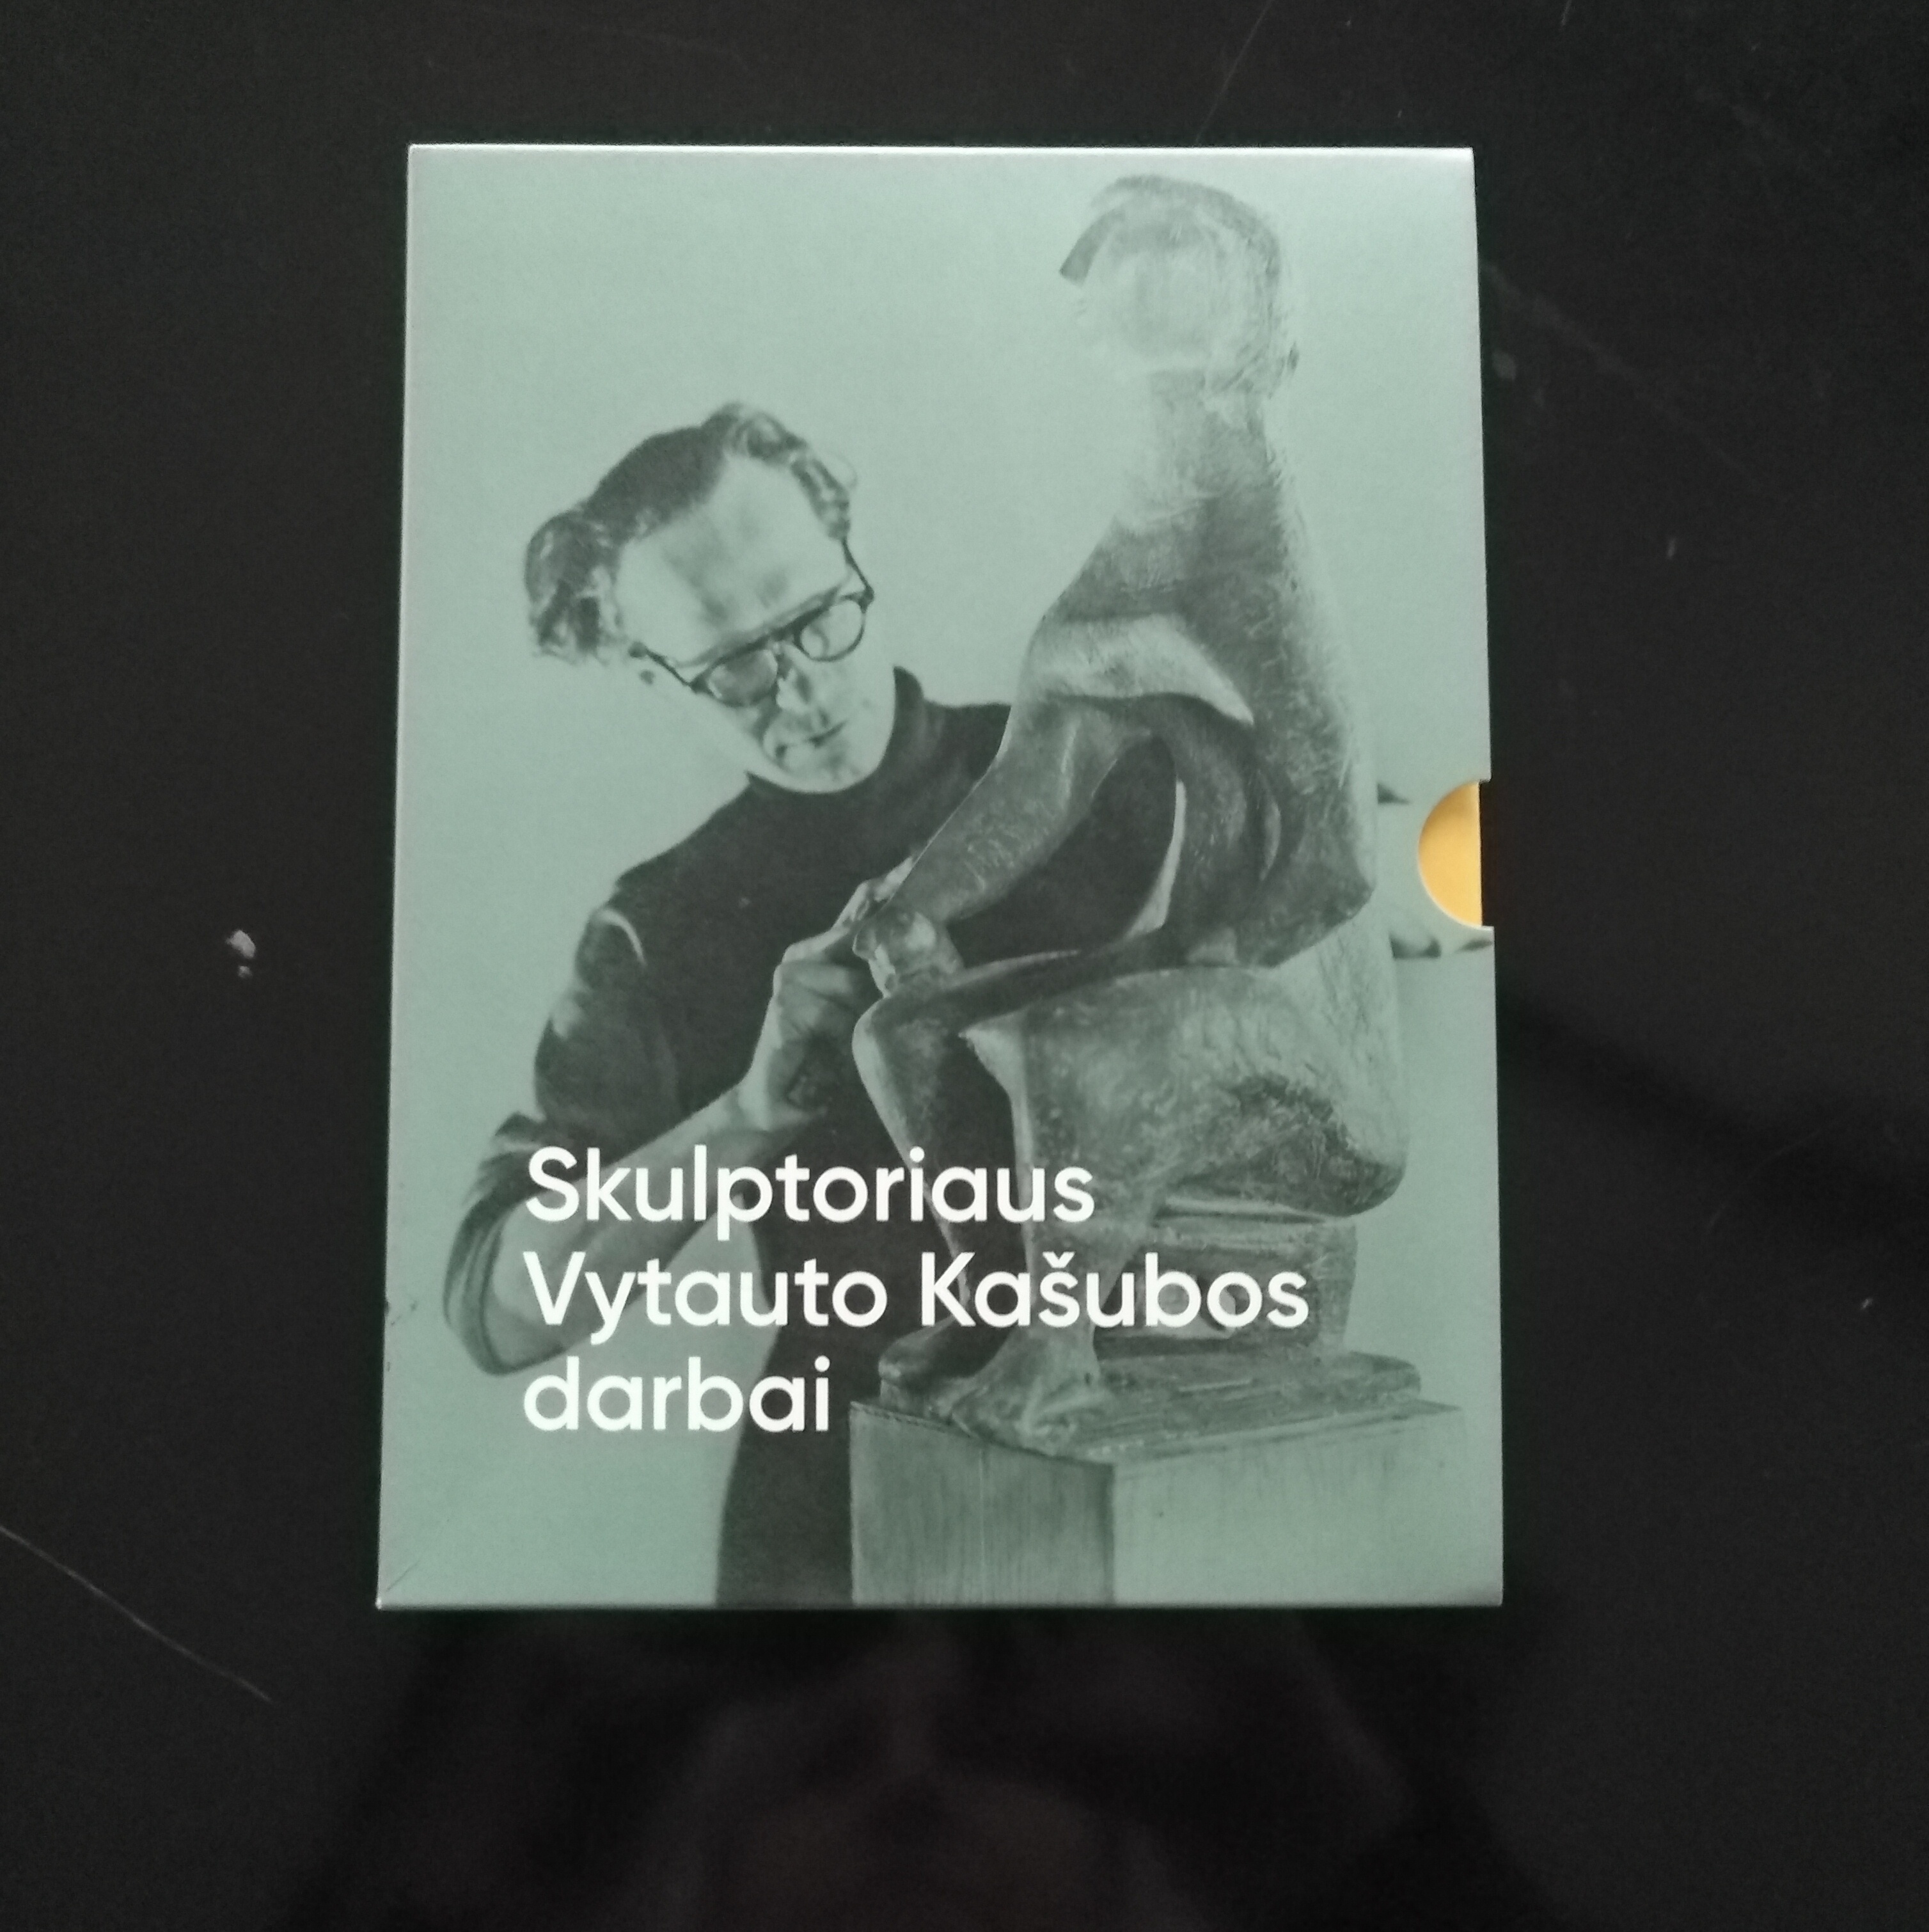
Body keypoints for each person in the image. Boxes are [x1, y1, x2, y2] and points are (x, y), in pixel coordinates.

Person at [446, 403, 1174, 1604]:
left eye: (816, 613)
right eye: (734, 664)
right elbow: (500, 1309)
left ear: (848, 548)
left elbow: (1390, 869)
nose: (800, 685)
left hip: (1159, 1443)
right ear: (648, 670)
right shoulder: (659, 927)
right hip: (840, 1511)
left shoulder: (1095, 765)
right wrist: (747, 1115)